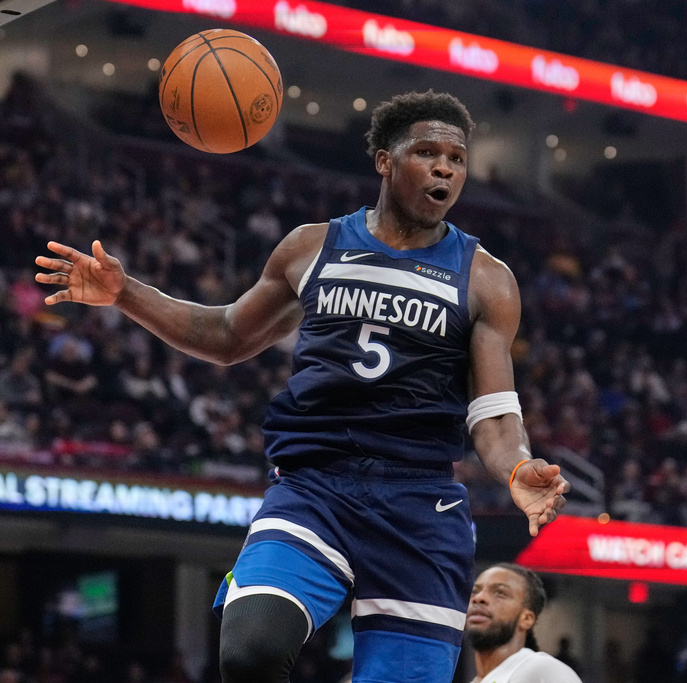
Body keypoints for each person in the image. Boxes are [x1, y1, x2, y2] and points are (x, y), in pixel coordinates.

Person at [35, 90, 570, 683]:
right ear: (385, 162)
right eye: (427, 152)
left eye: (457, 158)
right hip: (314, 488)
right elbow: (226, 334)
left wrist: (518, 470)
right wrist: (126, 292)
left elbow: (493, 414)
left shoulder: (486, 278)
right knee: (251, 651)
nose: (446, 167)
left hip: (419, 506)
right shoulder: (311, 246)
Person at [466, 563, 582, 683]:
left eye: (500, 592)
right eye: (475, 591)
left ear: (526, 619)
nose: (479, 598)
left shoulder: (544, 671)